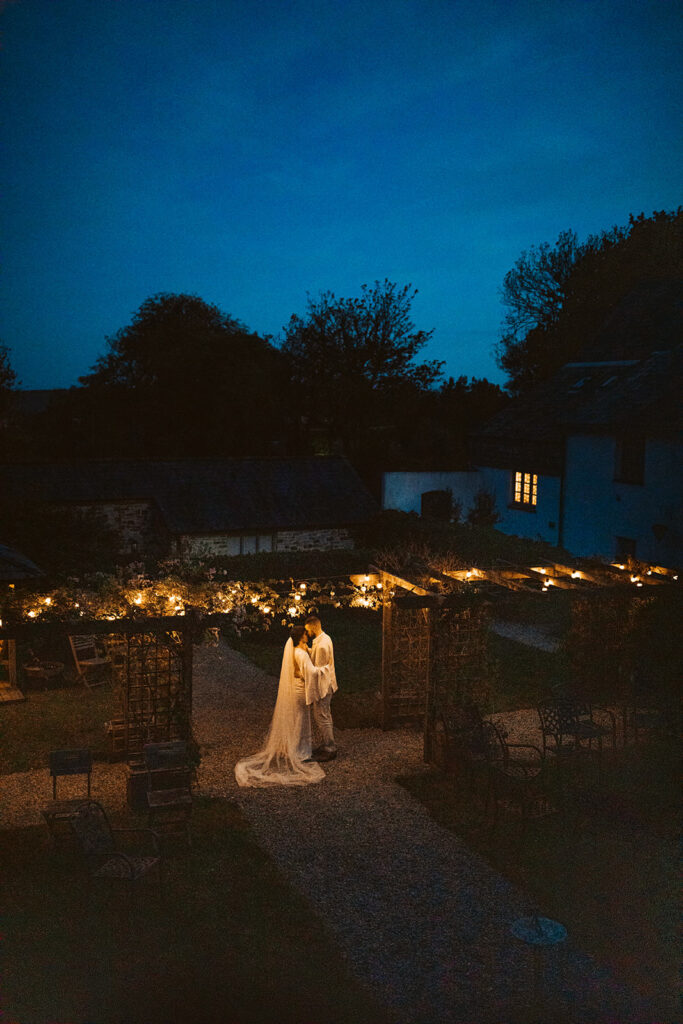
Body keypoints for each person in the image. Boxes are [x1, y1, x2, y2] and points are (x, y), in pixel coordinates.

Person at [234, 625, 325, 787]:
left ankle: (293, 747)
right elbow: (310, 672)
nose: (307, 636)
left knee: (297, 718)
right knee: (300, 719)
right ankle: (299, 751)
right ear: (301, 637)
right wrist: (324, 670)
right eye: (305, 634)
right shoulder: (301, 653)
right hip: (300, 691)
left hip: (295, 688)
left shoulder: (295, 651)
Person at [305, 615, 338, 760]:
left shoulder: (323, 645)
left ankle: (330, 747)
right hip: (327, 683)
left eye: (308, 630)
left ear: (313, 627)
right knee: (324, 714)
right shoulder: (325, 638)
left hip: (324, 686)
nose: (307, 633)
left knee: (321, 716)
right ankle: (327, 744)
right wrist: (309, 650)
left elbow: (318, 669)